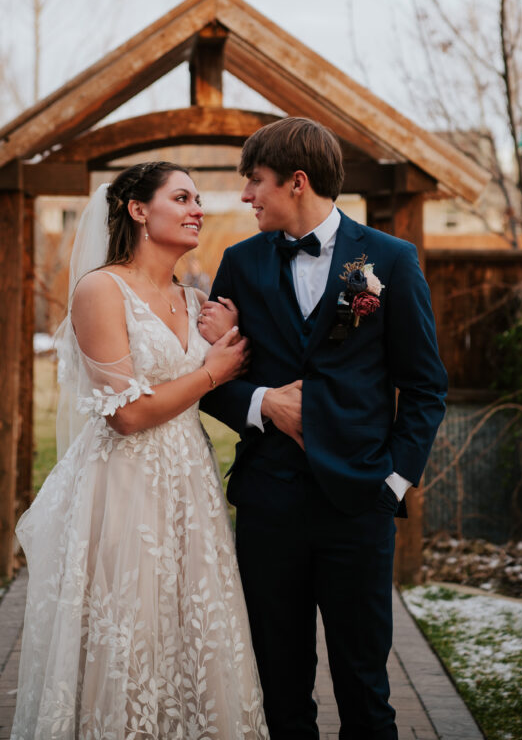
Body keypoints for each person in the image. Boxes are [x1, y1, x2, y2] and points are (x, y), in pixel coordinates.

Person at [200, 118, 447, 740]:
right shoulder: (240, 264)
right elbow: (212, 377)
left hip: (357, 508)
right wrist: (263, 403)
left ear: (296, 182)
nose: (246, 196)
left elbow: (424, 387)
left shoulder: (388, 260)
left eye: (254, 182)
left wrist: (391, 482)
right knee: (279, 689)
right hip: (269, 505)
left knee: (365, 690)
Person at [10, 162, 269, 740]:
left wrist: (222, 337)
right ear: (137, 210)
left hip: (189, 480)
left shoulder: (192, 295)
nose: (197, 208)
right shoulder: (101, 289)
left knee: (192, 628)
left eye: (198, 198)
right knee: (131, 631)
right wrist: (213, 370)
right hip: (125, 484)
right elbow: (126, 414)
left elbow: (213, 372)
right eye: (182, 197)